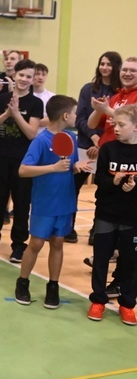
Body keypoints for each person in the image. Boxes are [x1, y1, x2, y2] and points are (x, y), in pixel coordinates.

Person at [15, 96, 92, 309]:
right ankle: (22, 282)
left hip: (65, 201)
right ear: (66, 116)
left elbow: (69, 165)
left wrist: (78, 167)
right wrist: (52, 168)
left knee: (58, 242)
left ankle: (53, 286)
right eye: (75, 113)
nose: (76, 117)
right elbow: (23, 170)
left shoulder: (70, 138)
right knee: (37, 244)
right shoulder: (40, 141)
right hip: (44, 203)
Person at [0, 58, 43, 263]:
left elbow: (32, 133)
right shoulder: (3, 98)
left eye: (29, 76)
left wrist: (16, 114)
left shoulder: (36, 103)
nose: (24, 79)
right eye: (21, 75)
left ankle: (18, 245)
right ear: (14, 75)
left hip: (23, 162)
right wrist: (7, 112)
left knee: (22, 202)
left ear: (34, 79)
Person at [87, 104, 137, 326]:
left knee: (130, 262)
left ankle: (127, 304)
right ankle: (98, 300)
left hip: (132, 218)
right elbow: (99, 180)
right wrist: (114, 181)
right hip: (106, 214)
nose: (116, 128)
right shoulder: (108, 149)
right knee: (100, 259)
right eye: (114, 124)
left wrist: (133, 187)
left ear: (135, 127)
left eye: (121, 125)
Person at [72, 52, 122, 244]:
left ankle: (96, 229)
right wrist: (93, 138)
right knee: (73, 187)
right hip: (85, 146)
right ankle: (69, 227)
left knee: (103, 188)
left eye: (109, 64)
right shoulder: (88, 89)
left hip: (107, 148)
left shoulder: (119, 92)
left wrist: (101, 144)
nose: (105, 67)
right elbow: (80, 118)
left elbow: (113, 122)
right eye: (102, 63)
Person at [32, 63, 56, 132]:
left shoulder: (52, 97)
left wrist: (32, 121)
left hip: (45, 134)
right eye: (37, 74)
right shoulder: (26, 95)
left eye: (43, 74)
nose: (40, 77)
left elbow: (53, 119)